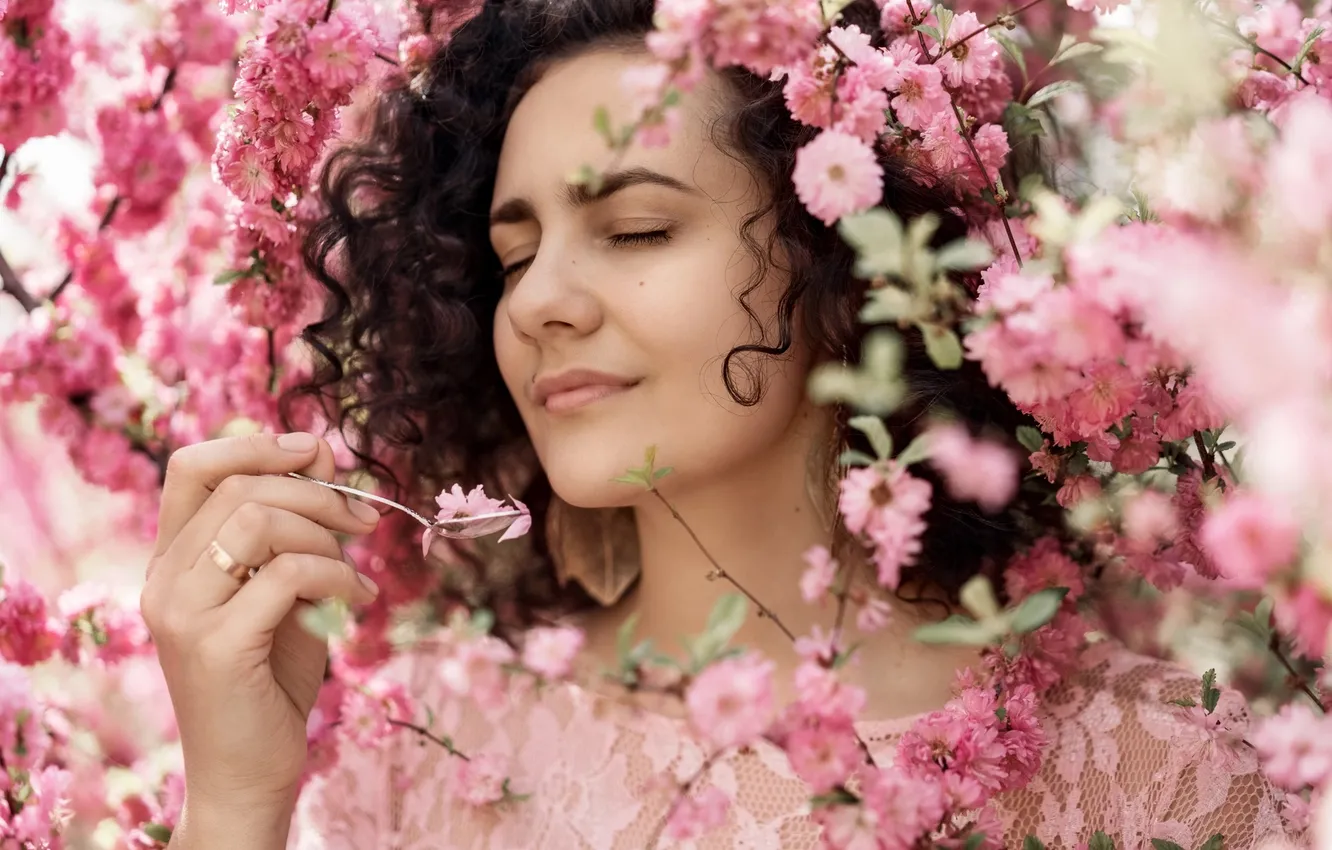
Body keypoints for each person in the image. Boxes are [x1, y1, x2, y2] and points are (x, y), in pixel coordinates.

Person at [142, 0, 1300, 847]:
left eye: (636, 230)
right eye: (515, 255)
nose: (539, 301)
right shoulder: (434, 756)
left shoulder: (1153, 769)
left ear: (846, 255)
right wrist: (236, 803)